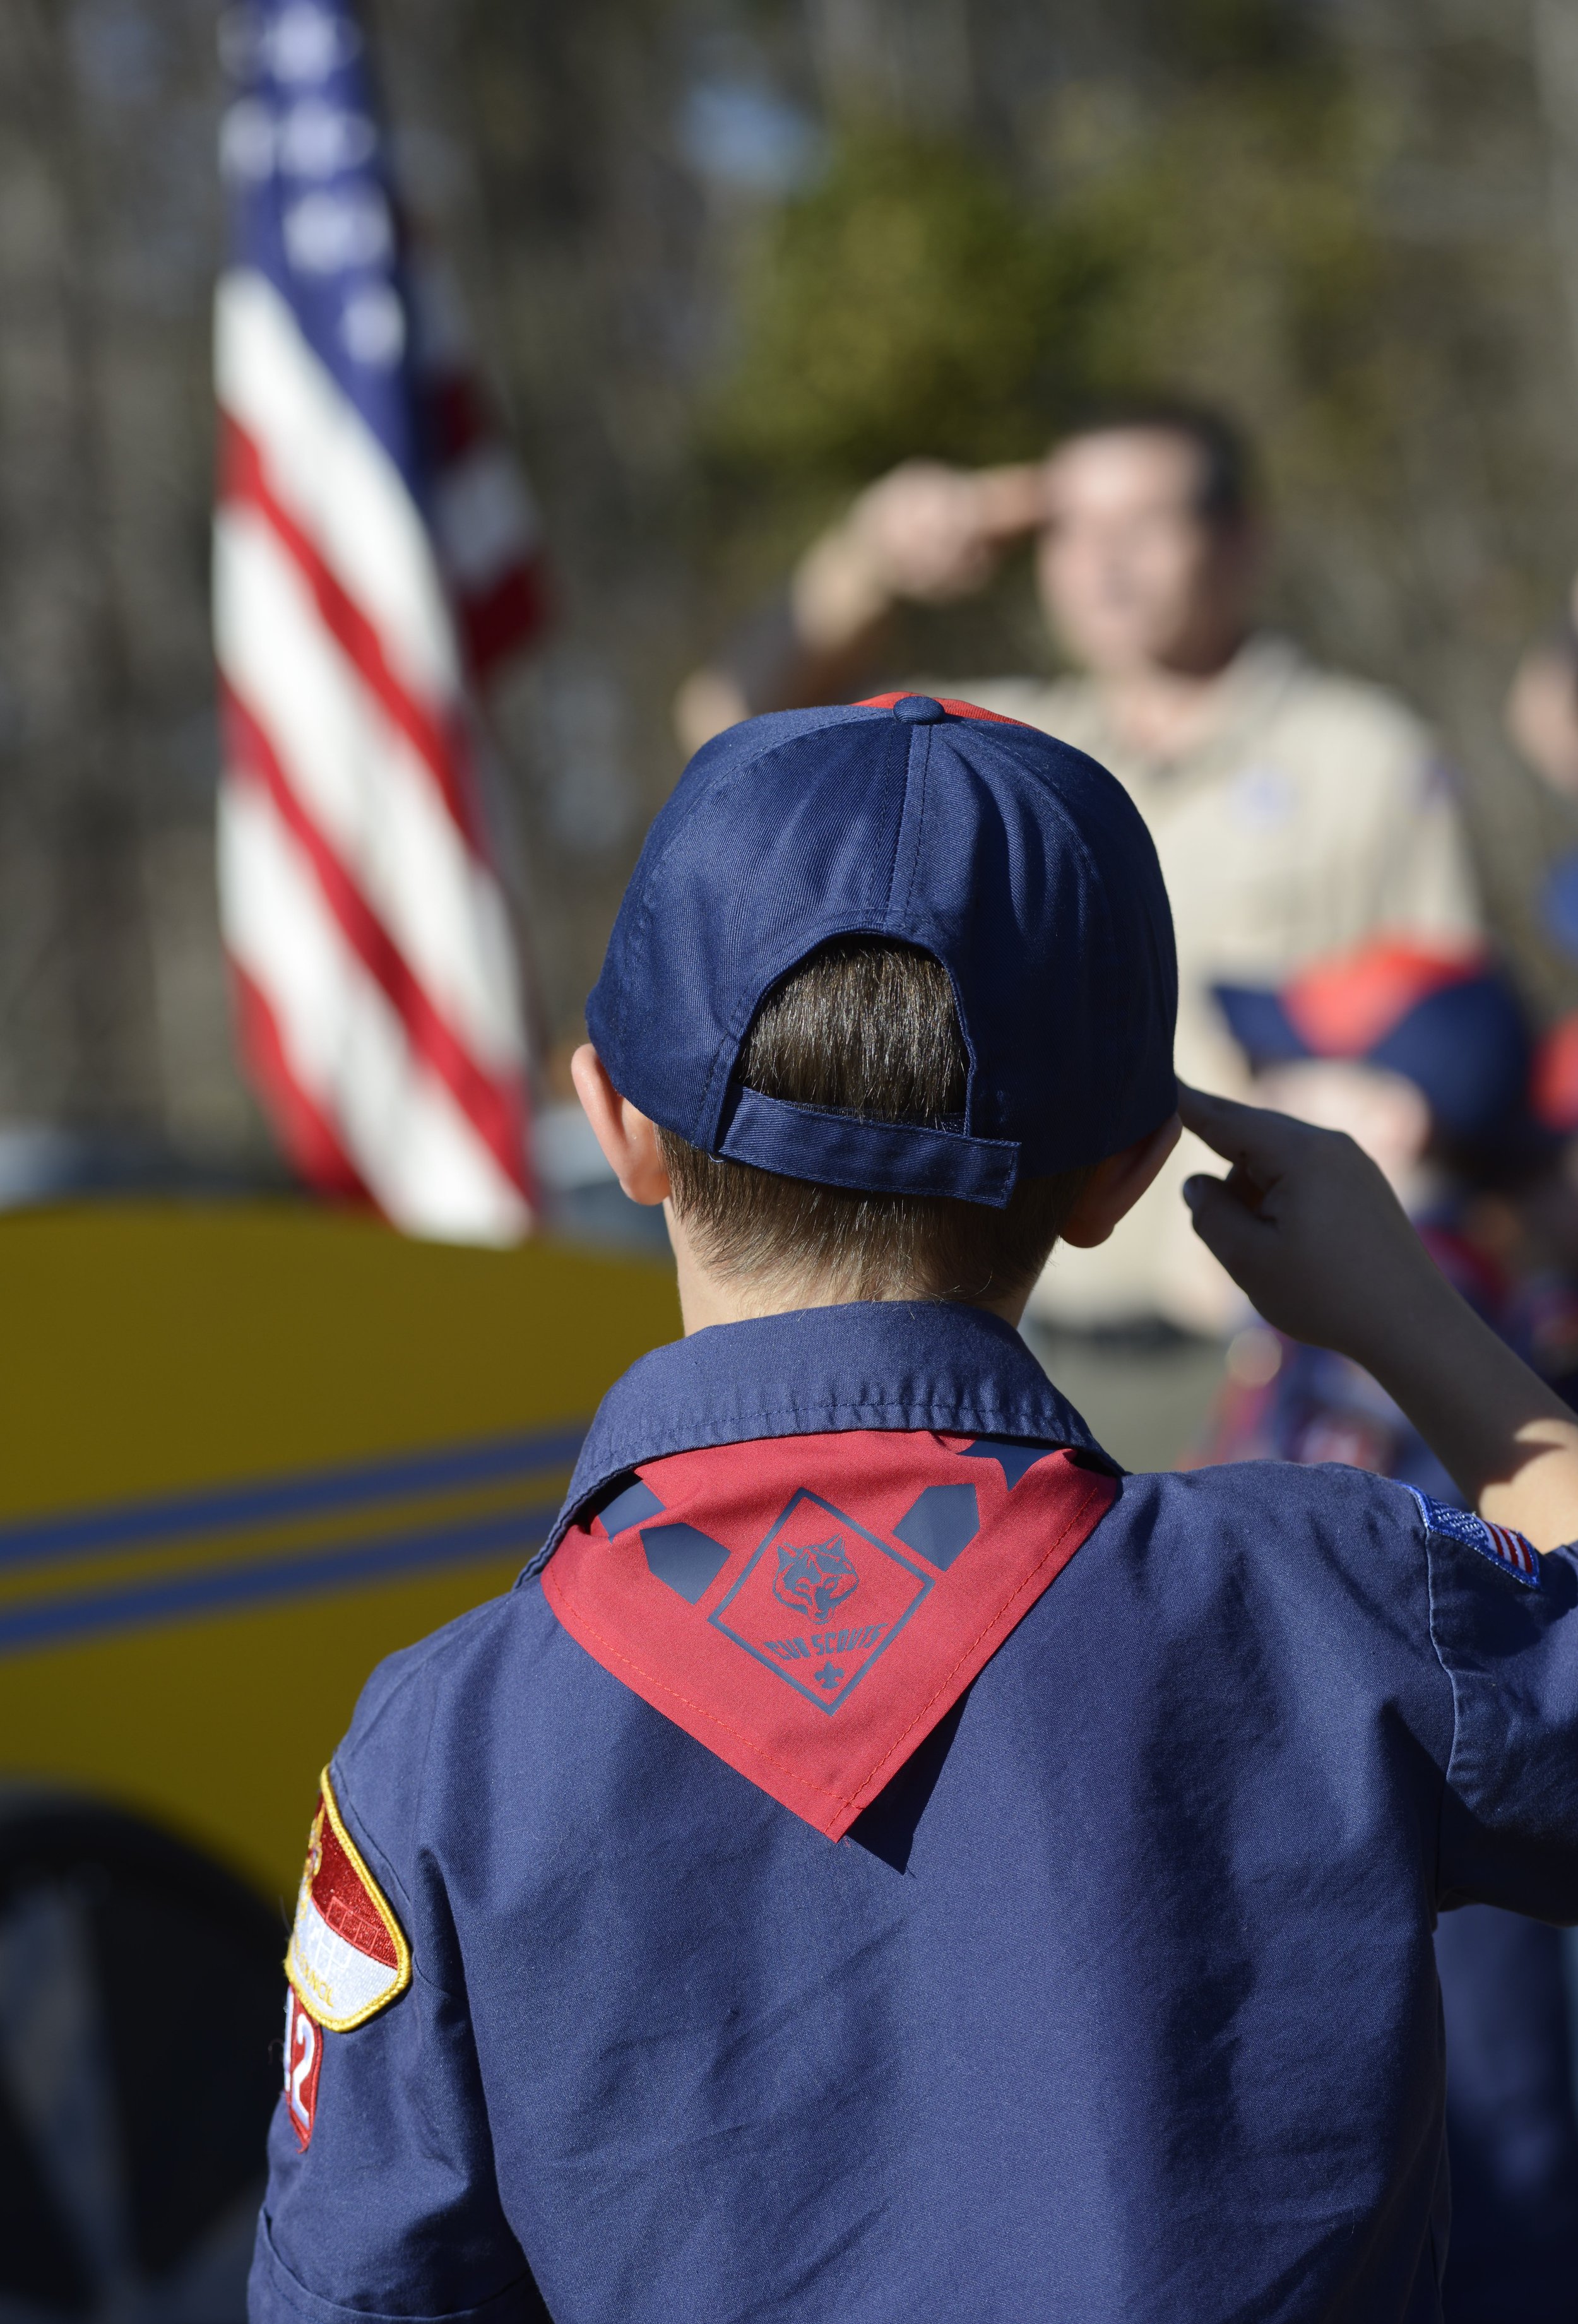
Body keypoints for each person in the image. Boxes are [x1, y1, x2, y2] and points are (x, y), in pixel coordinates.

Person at [252, 697, 1578, 2324]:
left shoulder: (442, 1749)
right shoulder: (1320, 1600)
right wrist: (1427, 1329)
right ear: (1119, 1182)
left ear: (614, 1120)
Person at [677, 407, 1481, 1334]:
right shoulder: (1001, 753)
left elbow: (1454, 1051)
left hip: (1260, 1338)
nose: (1104, 561)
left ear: (1239, 538)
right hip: (1010, 1338)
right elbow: (736, 741)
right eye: (1072, 529)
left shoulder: (1365, 761)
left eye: (1142, 525)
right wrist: (862, 563)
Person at [1193, 938, 1578, 2324]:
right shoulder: (1350, 1325)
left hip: (1435, 1909)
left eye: (1298, 1065)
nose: (1255, 1088)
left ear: (1393, 1126)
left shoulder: (1426, 1341)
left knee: (1494, 2165)